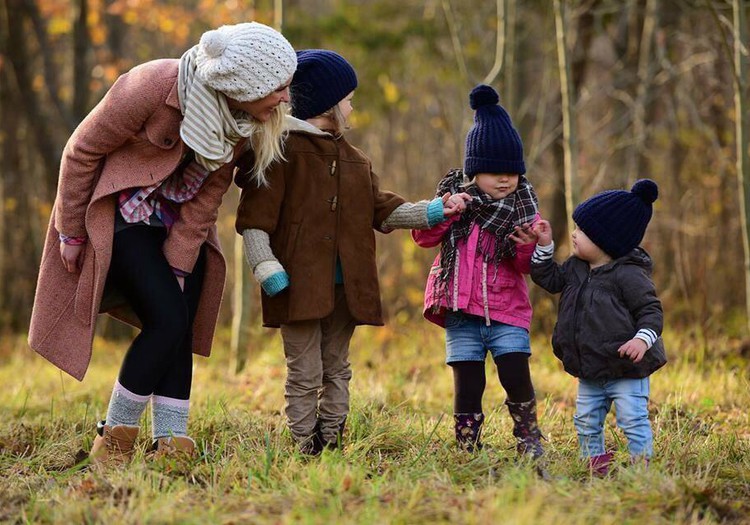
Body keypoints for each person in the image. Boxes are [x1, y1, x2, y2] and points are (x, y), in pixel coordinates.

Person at [28, 22, 297, 464]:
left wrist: (178, 265)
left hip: (174, 222)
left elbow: (208, 197)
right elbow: (80, 151)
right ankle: (114, 437)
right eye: (279, 88)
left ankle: (171, 442)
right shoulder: (153, 85)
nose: (286, 97)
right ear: (242, 85)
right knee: (167, 320)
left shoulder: (241, 121)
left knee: (182, 319)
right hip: (116, 214)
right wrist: (71, 230)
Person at [235, 49, 471, 455]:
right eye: (348, 98)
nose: (352, 105)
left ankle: (332, 438)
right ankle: (302, 443)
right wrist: (265, 264)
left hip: (347, 286)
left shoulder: (356, 160)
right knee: (305, 371)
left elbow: (383, 209)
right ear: (327, 103)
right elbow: (255, 219)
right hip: (296, 284)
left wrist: (434, 210)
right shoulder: (280, 151)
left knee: (337, 367)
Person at [412, 84, 546, 461]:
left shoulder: (524, 211)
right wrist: (443, 211)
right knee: (468, 382)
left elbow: (526, 267)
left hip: (507, 311)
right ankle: (468, 445)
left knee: (515, 375)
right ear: (474, 172)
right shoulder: (457, 202)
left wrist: (526, 244)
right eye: (492, 172)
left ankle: (528, 437)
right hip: (461, 312)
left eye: (512, 173)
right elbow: (422, 238)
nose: (504, 180)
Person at [530, 179, 667, 475]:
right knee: (586, 420)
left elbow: (651, 312)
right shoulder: (576, 267)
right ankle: (595, 464)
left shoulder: (629, 275)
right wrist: (544, 247)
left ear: (608, 242)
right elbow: (550, 279)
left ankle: (640, 467)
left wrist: (642, 341)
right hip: (590, 368)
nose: (575, 235)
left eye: (583, 231)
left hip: (627, 369)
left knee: (632, 419)